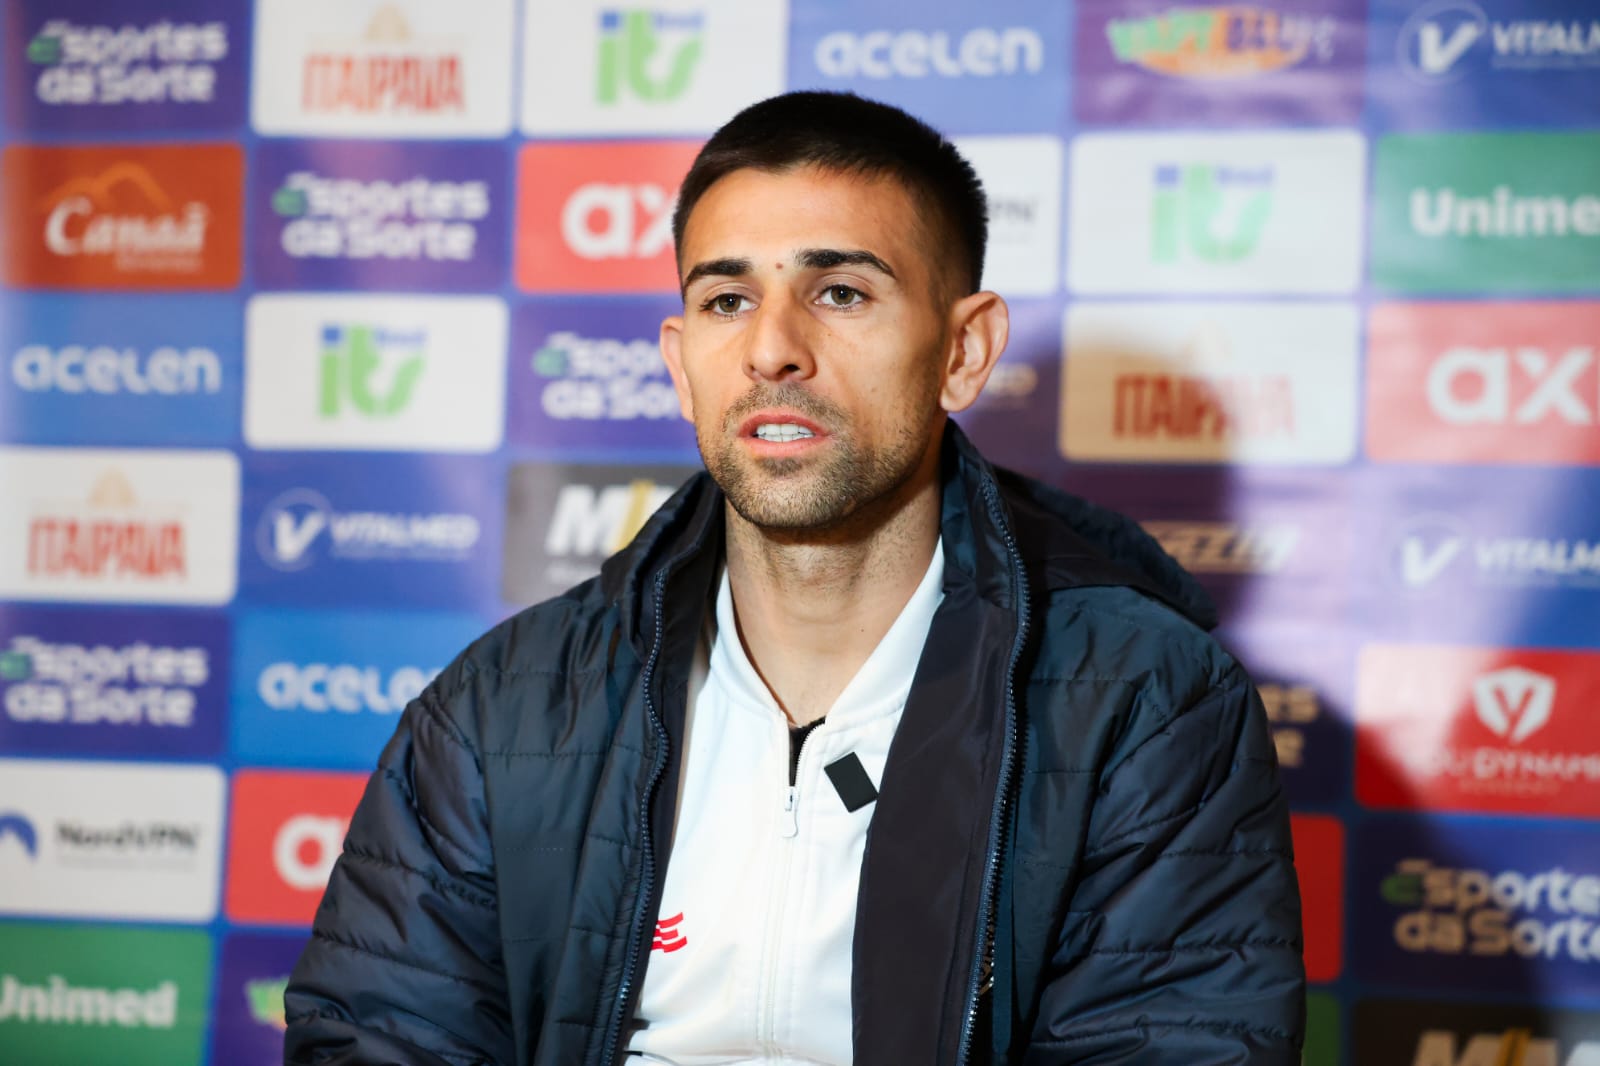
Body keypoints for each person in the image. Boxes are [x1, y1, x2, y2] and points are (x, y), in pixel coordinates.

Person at [284, 90, 1305, 1066]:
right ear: (681, 364)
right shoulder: (504, 704)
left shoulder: (1143, 701)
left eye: (840, 293)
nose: (771, 349)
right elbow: (379, 1039)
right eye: (727, 300)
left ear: (963, 351)